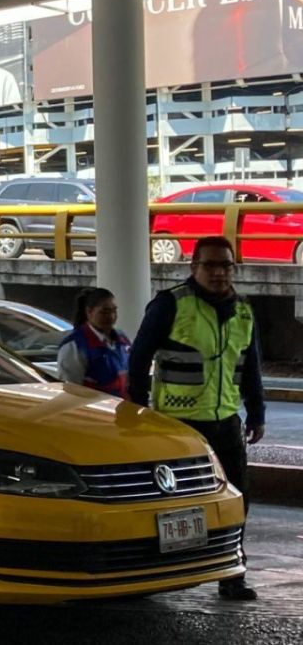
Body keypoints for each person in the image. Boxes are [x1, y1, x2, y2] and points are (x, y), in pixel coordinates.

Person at [128, 236, 265, 601]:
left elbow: (250, 366)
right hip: (179, 426)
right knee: (173, 506)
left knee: (236, 501)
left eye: (226, 265)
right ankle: (162, 573)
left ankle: (232, 574)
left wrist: (257, 412)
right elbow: (139, 358)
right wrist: (138, 410)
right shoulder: (171, 304)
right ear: (193, 267)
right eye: (211, 265)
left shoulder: (244, 311)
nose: (219, 272)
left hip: (225, 423)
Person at [56, 287, 130, 397]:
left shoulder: (122, 339)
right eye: (104, 312)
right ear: (89, 312)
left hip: (123, 409)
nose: (111, 317)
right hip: (95, 410)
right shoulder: (74, 346)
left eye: (114, 310)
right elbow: (71, 392)